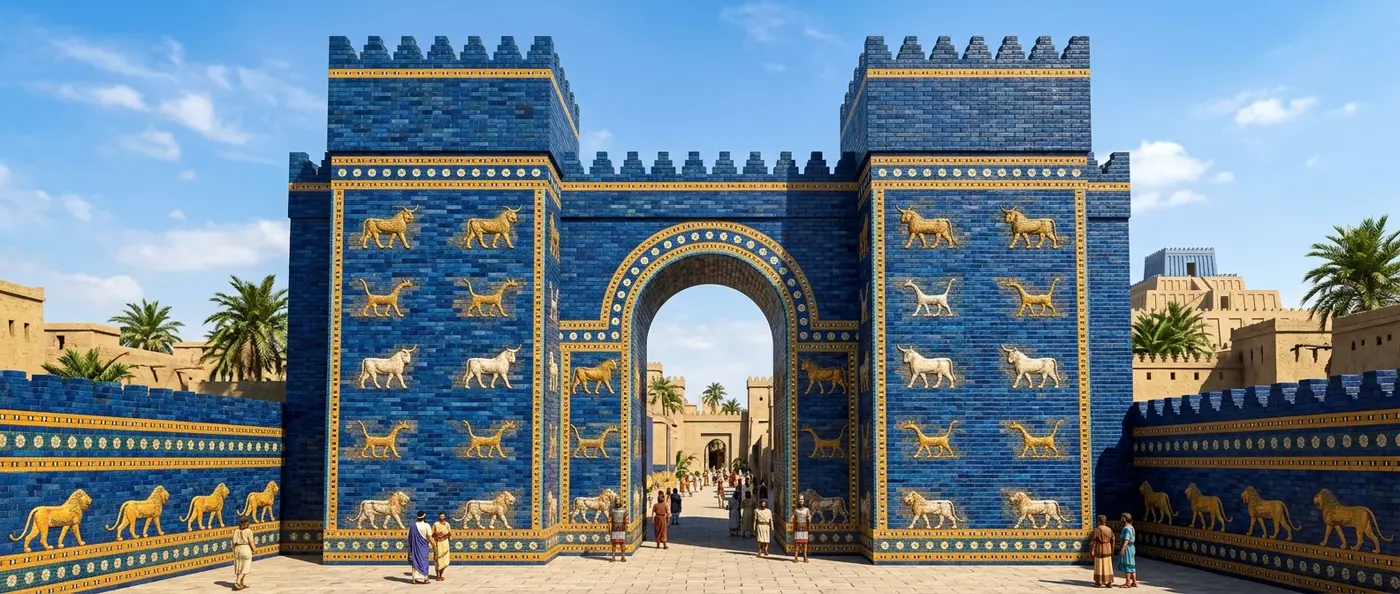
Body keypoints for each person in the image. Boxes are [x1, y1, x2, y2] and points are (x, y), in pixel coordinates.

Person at [231, 515, 254, 590]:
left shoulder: (236, 531)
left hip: (238, 548)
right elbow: (251, 541)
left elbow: (233, 542)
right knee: (245, 567)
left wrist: (233, 551)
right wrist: (254, 549)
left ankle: (241, 583)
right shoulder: (248, 531)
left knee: (239, 566)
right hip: (245, 548)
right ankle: (237, 582)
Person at [1091, 515, 1115, 588]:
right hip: (1107, 548)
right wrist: (1112, 549)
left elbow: (1094, 541)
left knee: (1099, 565)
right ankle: (1109, 582)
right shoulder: (1109, 529)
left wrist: (1092, 550)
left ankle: (1098, 582)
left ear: (1099, 521)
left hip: (1100, 549)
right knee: (1108, 565)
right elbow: (1113, 539)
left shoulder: (1097, 529)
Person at [408, 511, 432, 584]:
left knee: (415, 560)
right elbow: (429, 536)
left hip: (415, 547)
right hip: (424, 546)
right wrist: (433, 544)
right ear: (424, 517)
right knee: (424, 561)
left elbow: (410, 538)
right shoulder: (427, 525)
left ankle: (414, 578)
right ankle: (425, 578)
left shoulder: (413, 526)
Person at [1118, 513, 1137, 588]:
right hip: (1131, 547)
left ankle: (1128, 582)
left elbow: (1126, 539)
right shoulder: (1131, 527)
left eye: (1121, 518)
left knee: (1127, 564)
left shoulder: (1127, 529)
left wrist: (1123, 549)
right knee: (1132, 565)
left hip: (1128, 548)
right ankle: (1134, 582)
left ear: (1124, 519)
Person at [431, 512, 452, 582]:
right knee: (438, 559)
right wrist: (437, 536)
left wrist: (446, 536)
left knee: (445, 560)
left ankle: (441, 573)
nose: (442, 517)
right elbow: (432, 534)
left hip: (445, 542)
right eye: (441, 516)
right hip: (438, 543)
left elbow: (450, 533)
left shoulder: (447, 524)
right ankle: (438, 575)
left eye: (443, 516)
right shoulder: (435, 524)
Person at [790, 496, 811, 563]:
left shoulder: (807, 510)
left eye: (802, 499)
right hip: (798, 527)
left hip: (804, 527)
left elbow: (809, 518)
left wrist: (809, 520)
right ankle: (796, 557)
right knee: (797, 543)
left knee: (805, 543)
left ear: (804, 501)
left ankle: (805, 557)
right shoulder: (796, 510)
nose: (801, 501)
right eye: (799, 499)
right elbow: (793, 517)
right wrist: (792, 519)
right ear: (798, 501)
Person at [609, 498, 629, 562]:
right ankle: (613, 557)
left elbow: (626, 520)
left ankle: (623, 557)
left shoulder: (624, 510)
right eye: (616, 502)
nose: (617, 503)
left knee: (622, 543)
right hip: (614, 528)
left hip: (621, 528)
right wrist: (609, 527)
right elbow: (610, 520)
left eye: (618, 502)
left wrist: (626, 527)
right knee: (614, 544)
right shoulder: (612, 510)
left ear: (621, 502)